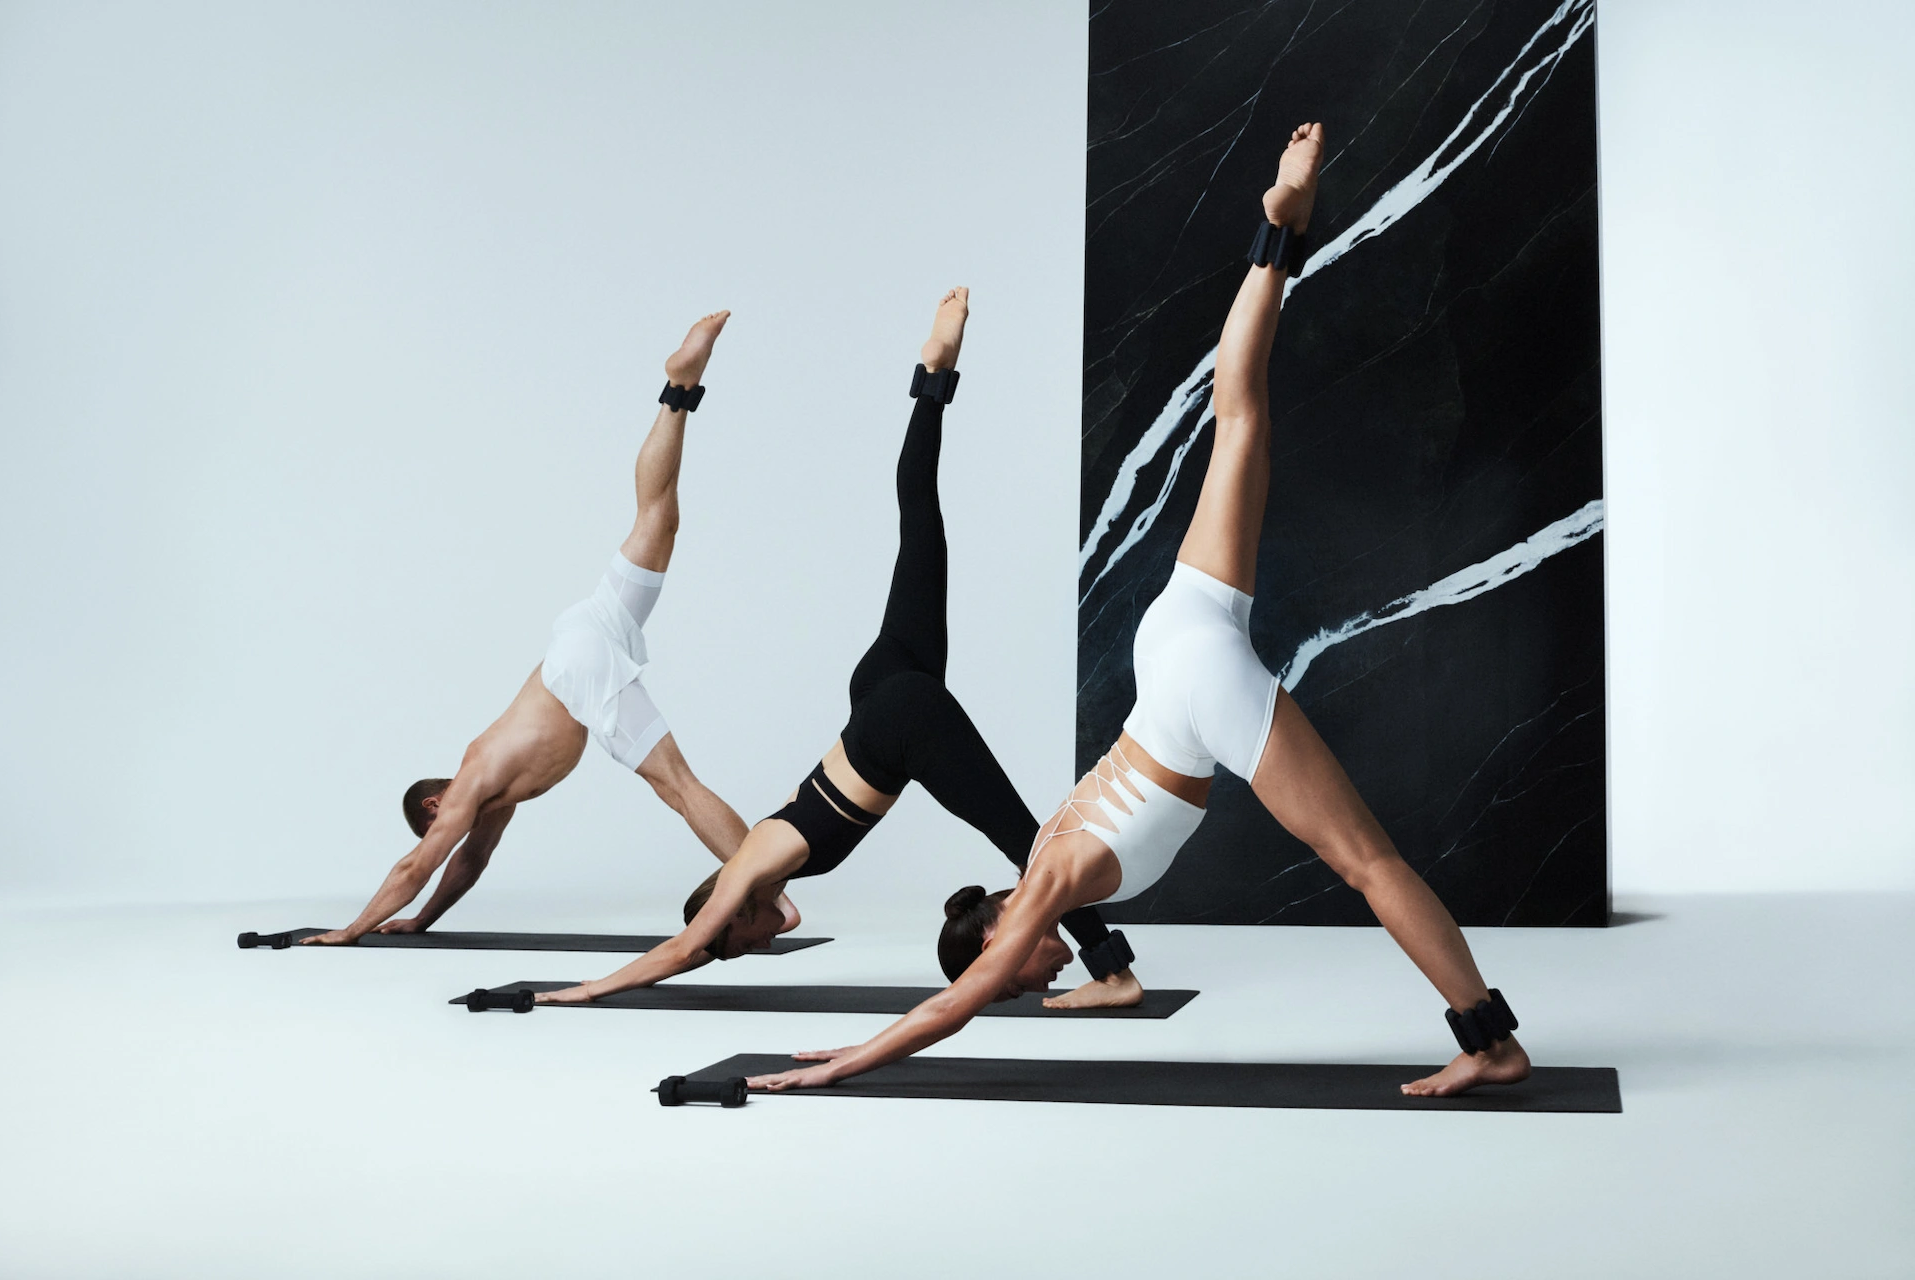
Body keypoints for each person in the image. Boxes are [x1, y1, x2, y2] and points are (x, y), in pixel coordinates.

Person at [747, 124, 1532, 1099]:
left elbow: (955, 1003)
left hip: (1196, 697)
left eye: (1024, 974)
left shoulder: (1043, 886)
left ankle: (1490, 1041)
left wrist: (842, 1060)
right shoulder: (1040, 854)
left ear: (995, 935)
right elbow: (990, 976)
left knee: (1370, 862)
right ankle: (1276, 240)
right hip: (1166, 651)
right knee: (1237, 416)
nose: (1038, 977)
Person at [538, 289, 1142, 1004]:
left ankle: (1114, 973)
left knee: (1029, 842)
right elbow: (736, 930)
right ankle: (933, 378)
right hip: (879, 690)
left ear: (731, 913)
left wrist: (583, 990)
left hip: (899, 725)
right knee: (920, 522)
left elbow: (683, 947)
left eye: (743, 943)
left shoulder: (750, 867)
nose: (761, 945)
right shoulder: (766, 864)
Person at [301, 314, 790, 944]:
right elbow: (470, 862)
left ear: (433, 806)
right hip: (585, 633)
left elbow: (416, 866)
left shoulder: (472, 781)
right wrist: (422, 919)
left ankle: (771, 894)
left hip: (578, 667)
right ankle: (678, 392)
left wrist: (350, 930)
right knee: (656, 519)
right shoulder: (493, 796)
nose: (446, 832)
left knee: (678, 785)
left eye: (437, 825)